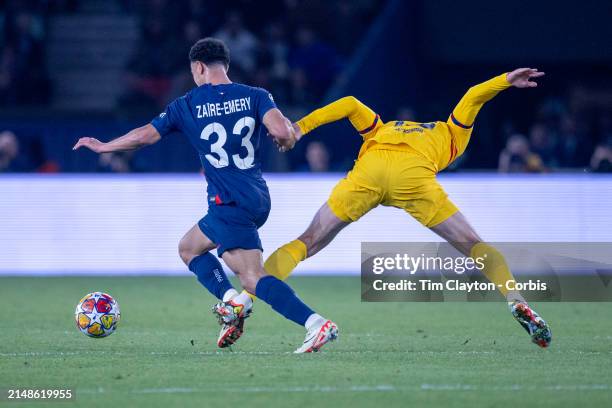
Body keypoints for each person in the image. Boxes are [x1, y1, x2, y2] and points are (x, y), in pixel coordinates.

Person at [73, 37, 338, 353]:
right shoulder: (255, 95)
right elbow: (283, 133)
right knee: (189, 247)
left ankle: (315, 323)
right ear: (225, 65)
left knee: (252, 278)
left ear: (198, 67)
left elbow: (144, 136)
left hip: (229, 202)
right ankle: (231, 304)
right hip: (256, 196)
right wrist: (286, 142)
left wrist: (105, 146)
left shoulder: (187, 104)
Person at [263, 68, 552, 348]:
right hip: (414, 177)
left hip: (371, 170)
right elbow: (474, 95)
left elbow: (349, 104)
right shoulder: (452, 132)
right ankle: (515, 298)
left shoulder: (381, 128)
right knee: (474, 245)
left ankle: (245, 296)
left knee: (308, 240)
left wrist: (299, 128)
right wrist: (507, 80)